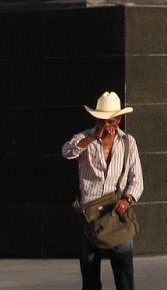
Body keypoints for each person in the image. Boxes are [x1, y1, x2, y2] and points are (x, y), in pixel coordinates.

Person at [62, 91, 144, 290]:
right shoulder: (84, 138)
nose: (107, 125)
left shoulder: (128, 142)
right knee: (90, 271)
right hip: (89, 214)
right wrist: (93, 137)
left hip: (115, 214)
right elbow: (67, 152)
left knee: (124, 269)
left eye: (111, 120)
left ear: (119, 119)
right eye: (102, 120)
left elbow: (137, 179)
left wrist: (127, 199)